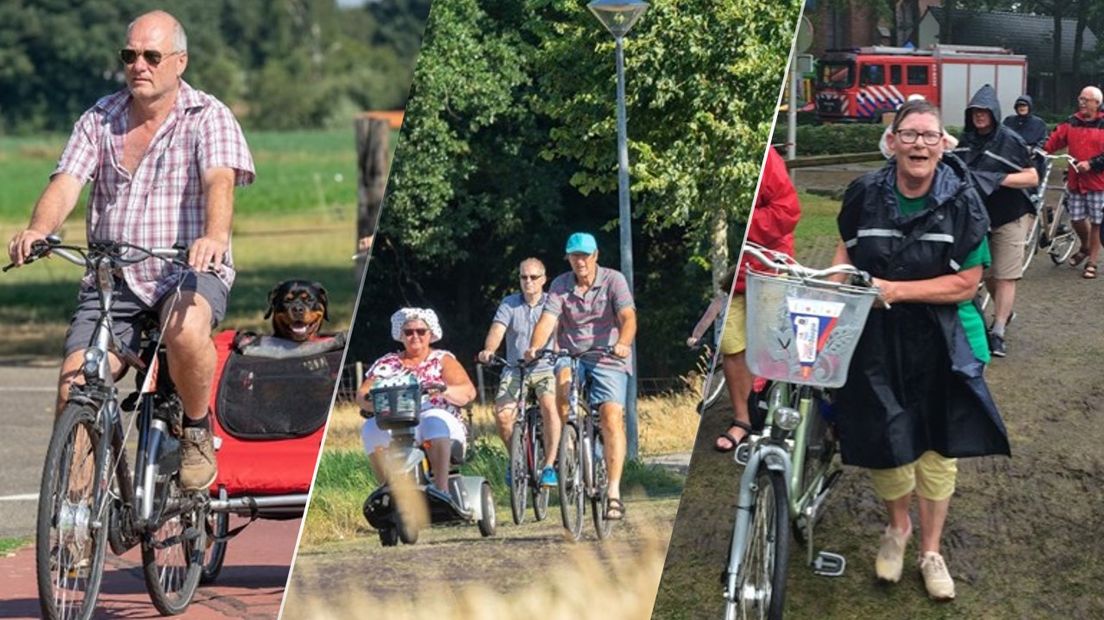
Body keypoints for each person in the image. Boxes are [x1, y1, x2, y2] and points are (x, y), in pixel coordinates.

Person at [6, 11, 255, 492]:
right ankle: (74, 523)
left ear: (179, 62)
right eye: (130, 55)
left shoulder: (208, 116)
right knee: (74, 385)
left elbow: (219, 181)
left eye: (152, 56)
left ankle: (197, 431)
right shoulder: (100, 118)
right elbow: (66, 183)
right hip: (113, 278)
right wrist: (39, 229)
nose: (139, 65)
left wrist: (213, 237)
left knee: (185, 331)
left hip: (185, 269)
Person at [832, 99, 1009, 600]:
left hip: (945, 336)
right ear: (891, 143)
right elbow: (846, 249)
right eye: (909, 135)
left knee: (937, 445)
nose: (919, 145)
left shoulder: (964, 200)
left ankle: (931, 552)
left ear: (943, 145)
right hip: (877, 336)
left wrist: (896, 291)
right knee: (887, 437)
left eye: (930, 136)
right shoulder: (864, 193)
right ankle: (898, 529)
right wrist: (834, 290)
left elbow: (968, 282)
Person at [525, 233, 636, 521]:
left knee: (611, 416)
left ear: (595, 255)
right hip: (570, 353)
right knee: (561, 389)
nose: (580, 261)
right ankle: (569, 445)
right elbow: (547, 320)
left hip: (607, 355)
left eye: (585, 255)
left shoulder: (614, 280)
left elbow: (628, 317)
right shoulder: (561, 285)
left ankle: (612, 492)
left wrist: (623, 342)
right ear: (568, 259)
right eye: (574, 256)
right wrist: (535, 347)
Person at [714, 148, 800, 452]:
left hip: (769, 267)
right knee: (730, 341)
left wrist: (745, 229)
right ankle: (742, 420)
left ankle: (773, 419)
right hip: (737, 277)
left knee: (772, 346)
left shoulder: (768, 160)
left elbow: (788, 211)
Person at [954, 85, 1039, 357]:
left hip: (1010, 215)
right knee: (987, 274)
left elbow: (1032, 178)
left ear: (994, 113)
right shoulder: (965, 141)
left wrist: (997, 179)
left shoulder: (1010, 140)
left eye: (984, 111)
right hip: (978, 218)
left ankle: (998, 330)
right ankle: (1006, 310)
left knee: (1005, 274)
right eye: (975, 111)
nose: (980, 116)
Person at [358, 308, 477, 500]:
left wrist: (442, 389)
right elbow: (363, 394)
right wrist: (374, 404)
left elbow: (467, 391)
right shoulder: (387, 363)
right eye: (409, 332)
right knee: (371, 428)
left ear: (431, 334)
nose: (415, 336)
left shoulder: (442, 359)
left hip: (434, 414)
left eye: (421, 331)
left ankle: (441, 489)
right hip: (397, 419)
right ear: (401, 335)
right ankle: (388, 489)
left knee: (434, 422)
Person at [477, 258, 560, 487]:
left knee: (549, 406)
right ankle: (517, 458)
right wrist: (489, 350)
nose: (528, 282)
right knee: (503, 415)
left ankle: (550, 466)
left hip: (546, 367)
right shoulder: (509, 303)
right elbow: (497, 329)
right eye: (524, 277)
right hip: (515, 368)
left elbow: (561, 333)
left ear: (544, 279)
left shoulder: (553, 303)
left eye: (534, 277)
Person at [1044, 86, 1104, 278]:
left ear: (1097, 103)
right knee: (1077, 218)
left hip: (1098, 182)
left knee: (1097, 222)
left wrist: (1093, 163)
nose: (1082, 102)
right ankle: (1085, 246)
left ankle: (1092, 261)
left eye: (1087, 99)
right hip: (1075, 180)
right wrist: (1040, 149)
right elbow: (1054, 140)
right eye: (1081, 98)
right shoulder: (1072, 121)